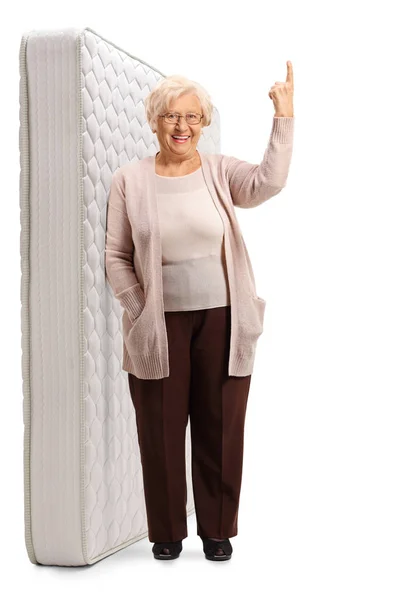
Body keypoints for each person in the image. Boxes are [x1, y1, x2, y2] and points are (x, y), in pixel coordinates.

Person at [105, 63, 294, 561]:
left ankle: (217, 530)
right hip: (158, 325)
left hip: (224, 318)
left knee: (221, 426)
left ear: (204, 123)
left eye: (192, 116)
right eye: (171, 116)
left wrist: (284, 120)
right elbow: (115, 256)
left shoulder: (219, 170)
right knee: (160, 431)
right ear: (154, 121)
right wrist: (140, 307)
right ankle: (166, 533)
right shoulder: (129, 180)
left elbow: (266, 184)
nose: (182, 126)